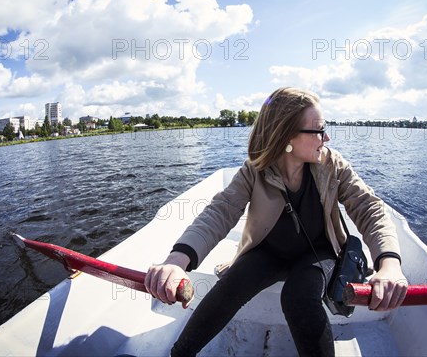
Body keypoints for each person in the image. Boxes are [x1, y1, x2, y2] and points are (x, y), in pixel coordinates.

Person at [145, 87, 408, 356]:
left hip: (318, 253)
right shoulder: (254, 170)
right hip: (269, 252)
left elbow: (369, 209)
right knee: (231, 284)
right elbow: (220, 213)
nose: (326, 137)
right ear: (287, 136)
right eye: (318, 130)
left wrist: (389, 265)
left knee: (299, 296)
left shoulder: (332, 165)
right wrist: (177, 261)